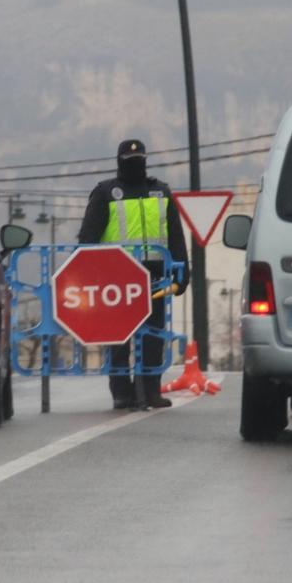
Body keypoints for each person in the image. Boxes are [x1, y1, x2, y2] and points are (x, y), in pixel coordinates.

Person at [77, 139, 190, 409]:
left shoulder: (160, 193)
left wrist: (182, 270)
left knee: (153, 335)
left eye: (139, 158)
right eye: (129, 160)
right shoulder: (106, 193)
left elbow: (175, 235)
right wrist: (87, 275)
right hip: (116, 279)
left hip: (155, 277)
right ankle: (121, 392)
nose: (135, 164)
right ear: (119, 162)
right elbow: (87, 239)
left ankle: (150, 390)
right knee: (118, 337)